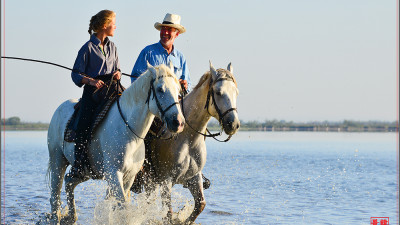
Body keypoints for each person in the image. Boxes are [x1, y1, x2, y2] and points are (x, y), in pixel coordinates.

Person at [68, 9, 121, 179]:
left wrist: (118, 73)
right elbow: (76, 73)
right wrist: (90, 81)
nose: (115, 26)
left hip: (112, 88)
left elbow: (117, 68)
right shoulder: (87, 48)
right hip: (93, 92)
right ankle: (78, 164)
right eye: (113, 23)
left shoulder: (113, 47)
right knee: (84, 123)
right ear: (105, 26)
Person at [131, 13, 191, 91]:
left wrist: (184, 86)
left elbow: (188, 85)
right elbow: (135, 79)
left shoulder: (180, 57)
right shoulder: (148, 52)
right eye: (163, 29)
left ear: (177, 34)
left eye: (169, 29)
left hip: (175, 101)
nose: (165, 32)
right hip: (151, 102)